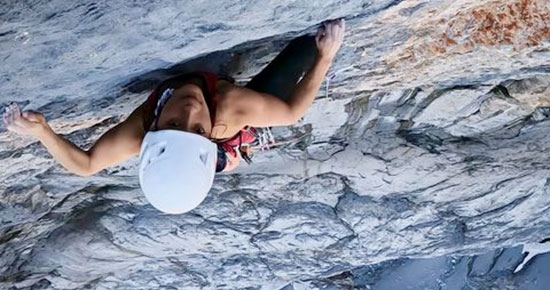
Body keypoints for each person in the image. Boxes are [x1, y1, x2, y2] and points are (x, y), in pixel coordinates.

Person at [3, 19, 346, 214]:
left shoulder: (141, 130)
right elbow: (291, 112)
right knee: (306, 52)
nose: (190, 110)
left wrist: (43, 132)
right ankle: (235, 151)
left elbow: (87, 164)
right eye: (197, 128)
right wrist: (326, 57)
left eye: (173, 124)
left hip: (210, 143)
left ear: (153, 127)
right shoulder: (228, 109)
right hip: (225, 139)